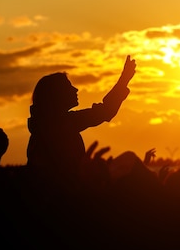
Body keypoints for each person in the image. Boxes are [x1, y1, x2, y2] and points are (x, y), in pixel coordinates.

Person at [26, 55, 136, 193]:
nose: (75, 90)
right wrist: (124, 80)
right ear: (57, 95)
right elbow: (104, 111)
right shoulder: (58, 125)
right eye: (68, 86)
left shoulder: (47, 125)